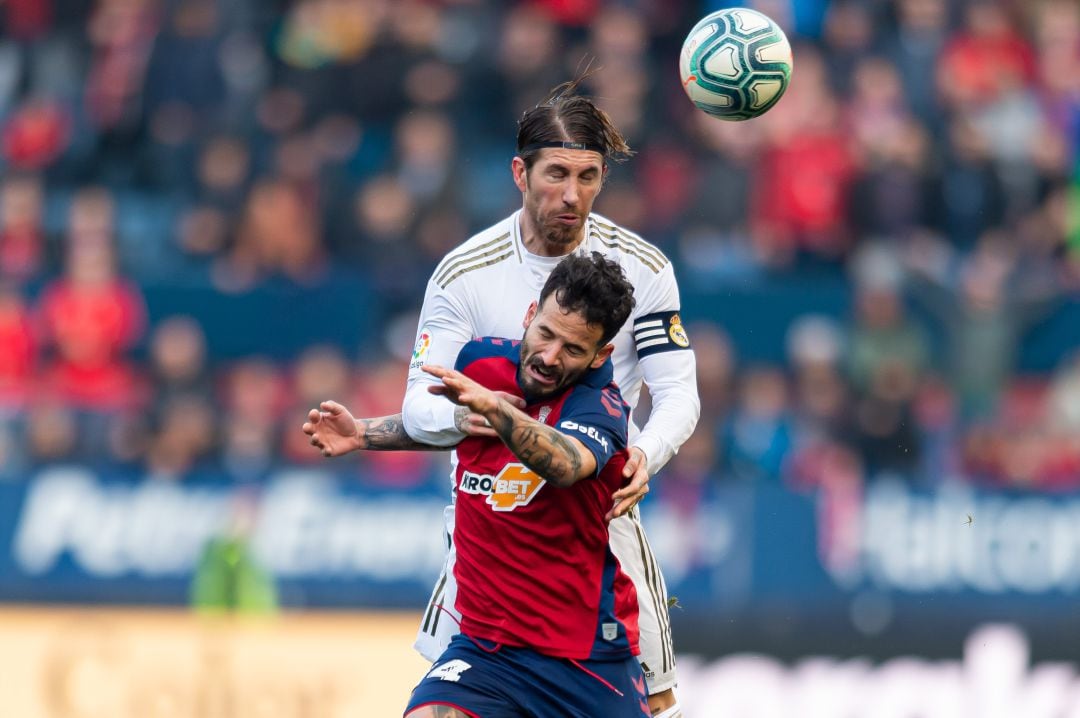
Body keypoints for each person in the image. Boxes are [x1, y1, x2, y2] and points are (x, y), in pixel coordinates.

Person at [307, 79, 699, 717]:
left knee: (656, 704)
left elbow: (679, 392)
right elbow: (421, 406)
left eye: (589, 177)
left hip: (596, 541)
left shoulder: (643, 268)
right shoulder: (466, 272)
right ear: (520, 172)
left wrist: (645, 456)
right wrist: (478, 414)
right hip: (492, 541)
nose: (572, 195)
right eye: (556, 174)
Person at [308, 253, 650, 716]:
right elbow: (456, 424)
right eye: (545, 334)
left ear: (600, 355)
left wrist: (498, 411)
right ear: (530, 315)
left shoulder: (600, 408)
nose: (549, 358)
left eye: (572, 349)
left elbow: (566, 464)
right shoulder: (480, 364)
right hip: (487, 652)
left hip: (585, 660)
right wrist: (364, 434)